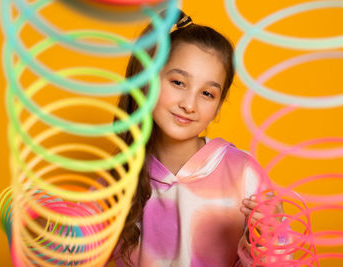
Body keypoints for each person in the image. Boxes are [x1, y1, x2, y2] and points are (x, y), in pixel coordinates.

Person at [111, 10, 286, 267]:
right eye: (178, 82)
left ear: (218, 105)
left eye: (206, 93)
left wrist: (271, 238)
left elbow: (279, 258)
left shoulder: (243, 173)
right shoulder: (119, 176)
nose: (189, 105)